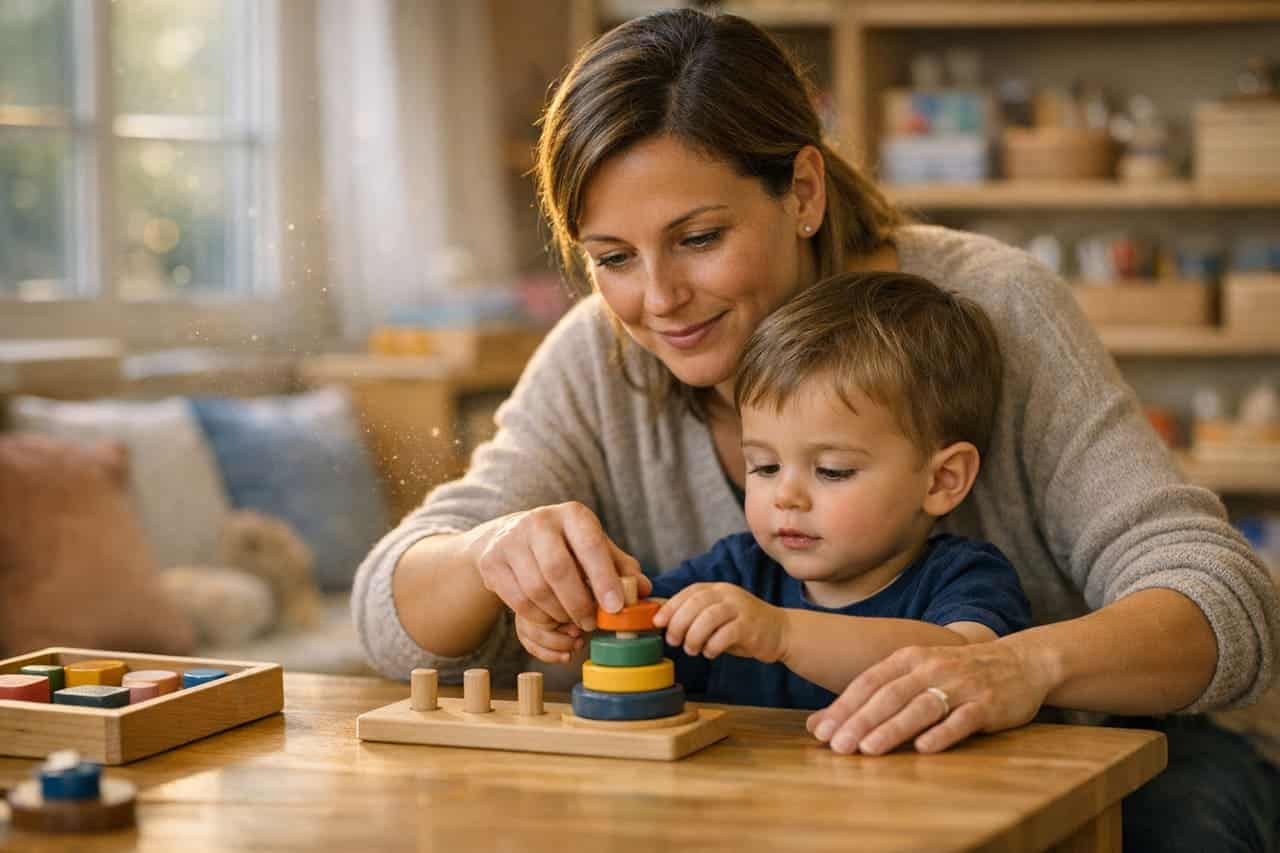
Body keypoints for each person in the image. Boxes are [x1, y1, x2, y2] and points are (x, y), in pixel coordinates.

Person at [352, 9, 1279, 851]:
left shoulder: (993, 304)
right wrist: (493, 551)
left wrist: (1018, 666)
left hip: (1100, 771)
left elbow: (1223, 601)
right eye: (613, 258)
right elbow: (391, 618)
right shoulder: (599, 355)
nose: (660, 299)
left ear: (801, 190)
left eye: (700, 237)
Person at [622, 270, 1031, 711]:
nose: (786, 496)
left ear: (941, 480)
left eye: (832, 471)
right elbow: (636, 635)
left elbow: (963, 660)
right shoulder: (737, 573)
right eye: (764, 466)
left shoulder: (964, 577)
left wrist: (781, 634)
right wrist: (592, 610)